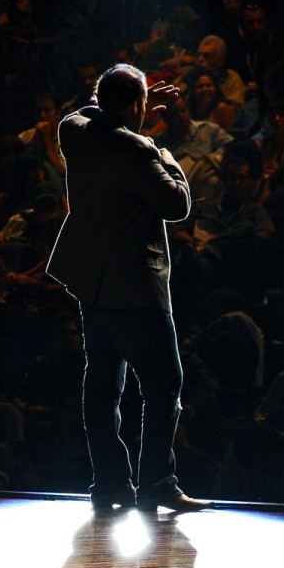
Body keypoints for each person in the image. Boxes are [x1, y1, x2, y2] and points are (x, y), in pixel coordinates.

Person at [46, 63, 212, 512]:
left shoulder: (74, 132)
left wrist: (121, 107)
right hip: (136, 288)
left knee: (102, 387)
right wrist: (163, 150)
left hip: (92, 285)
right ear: (137, 105)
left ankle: (110, 484)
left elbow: (83, 113)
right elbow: (176, 205)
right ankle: (157, 482)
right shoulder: (141, 150)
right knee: (164, 386)